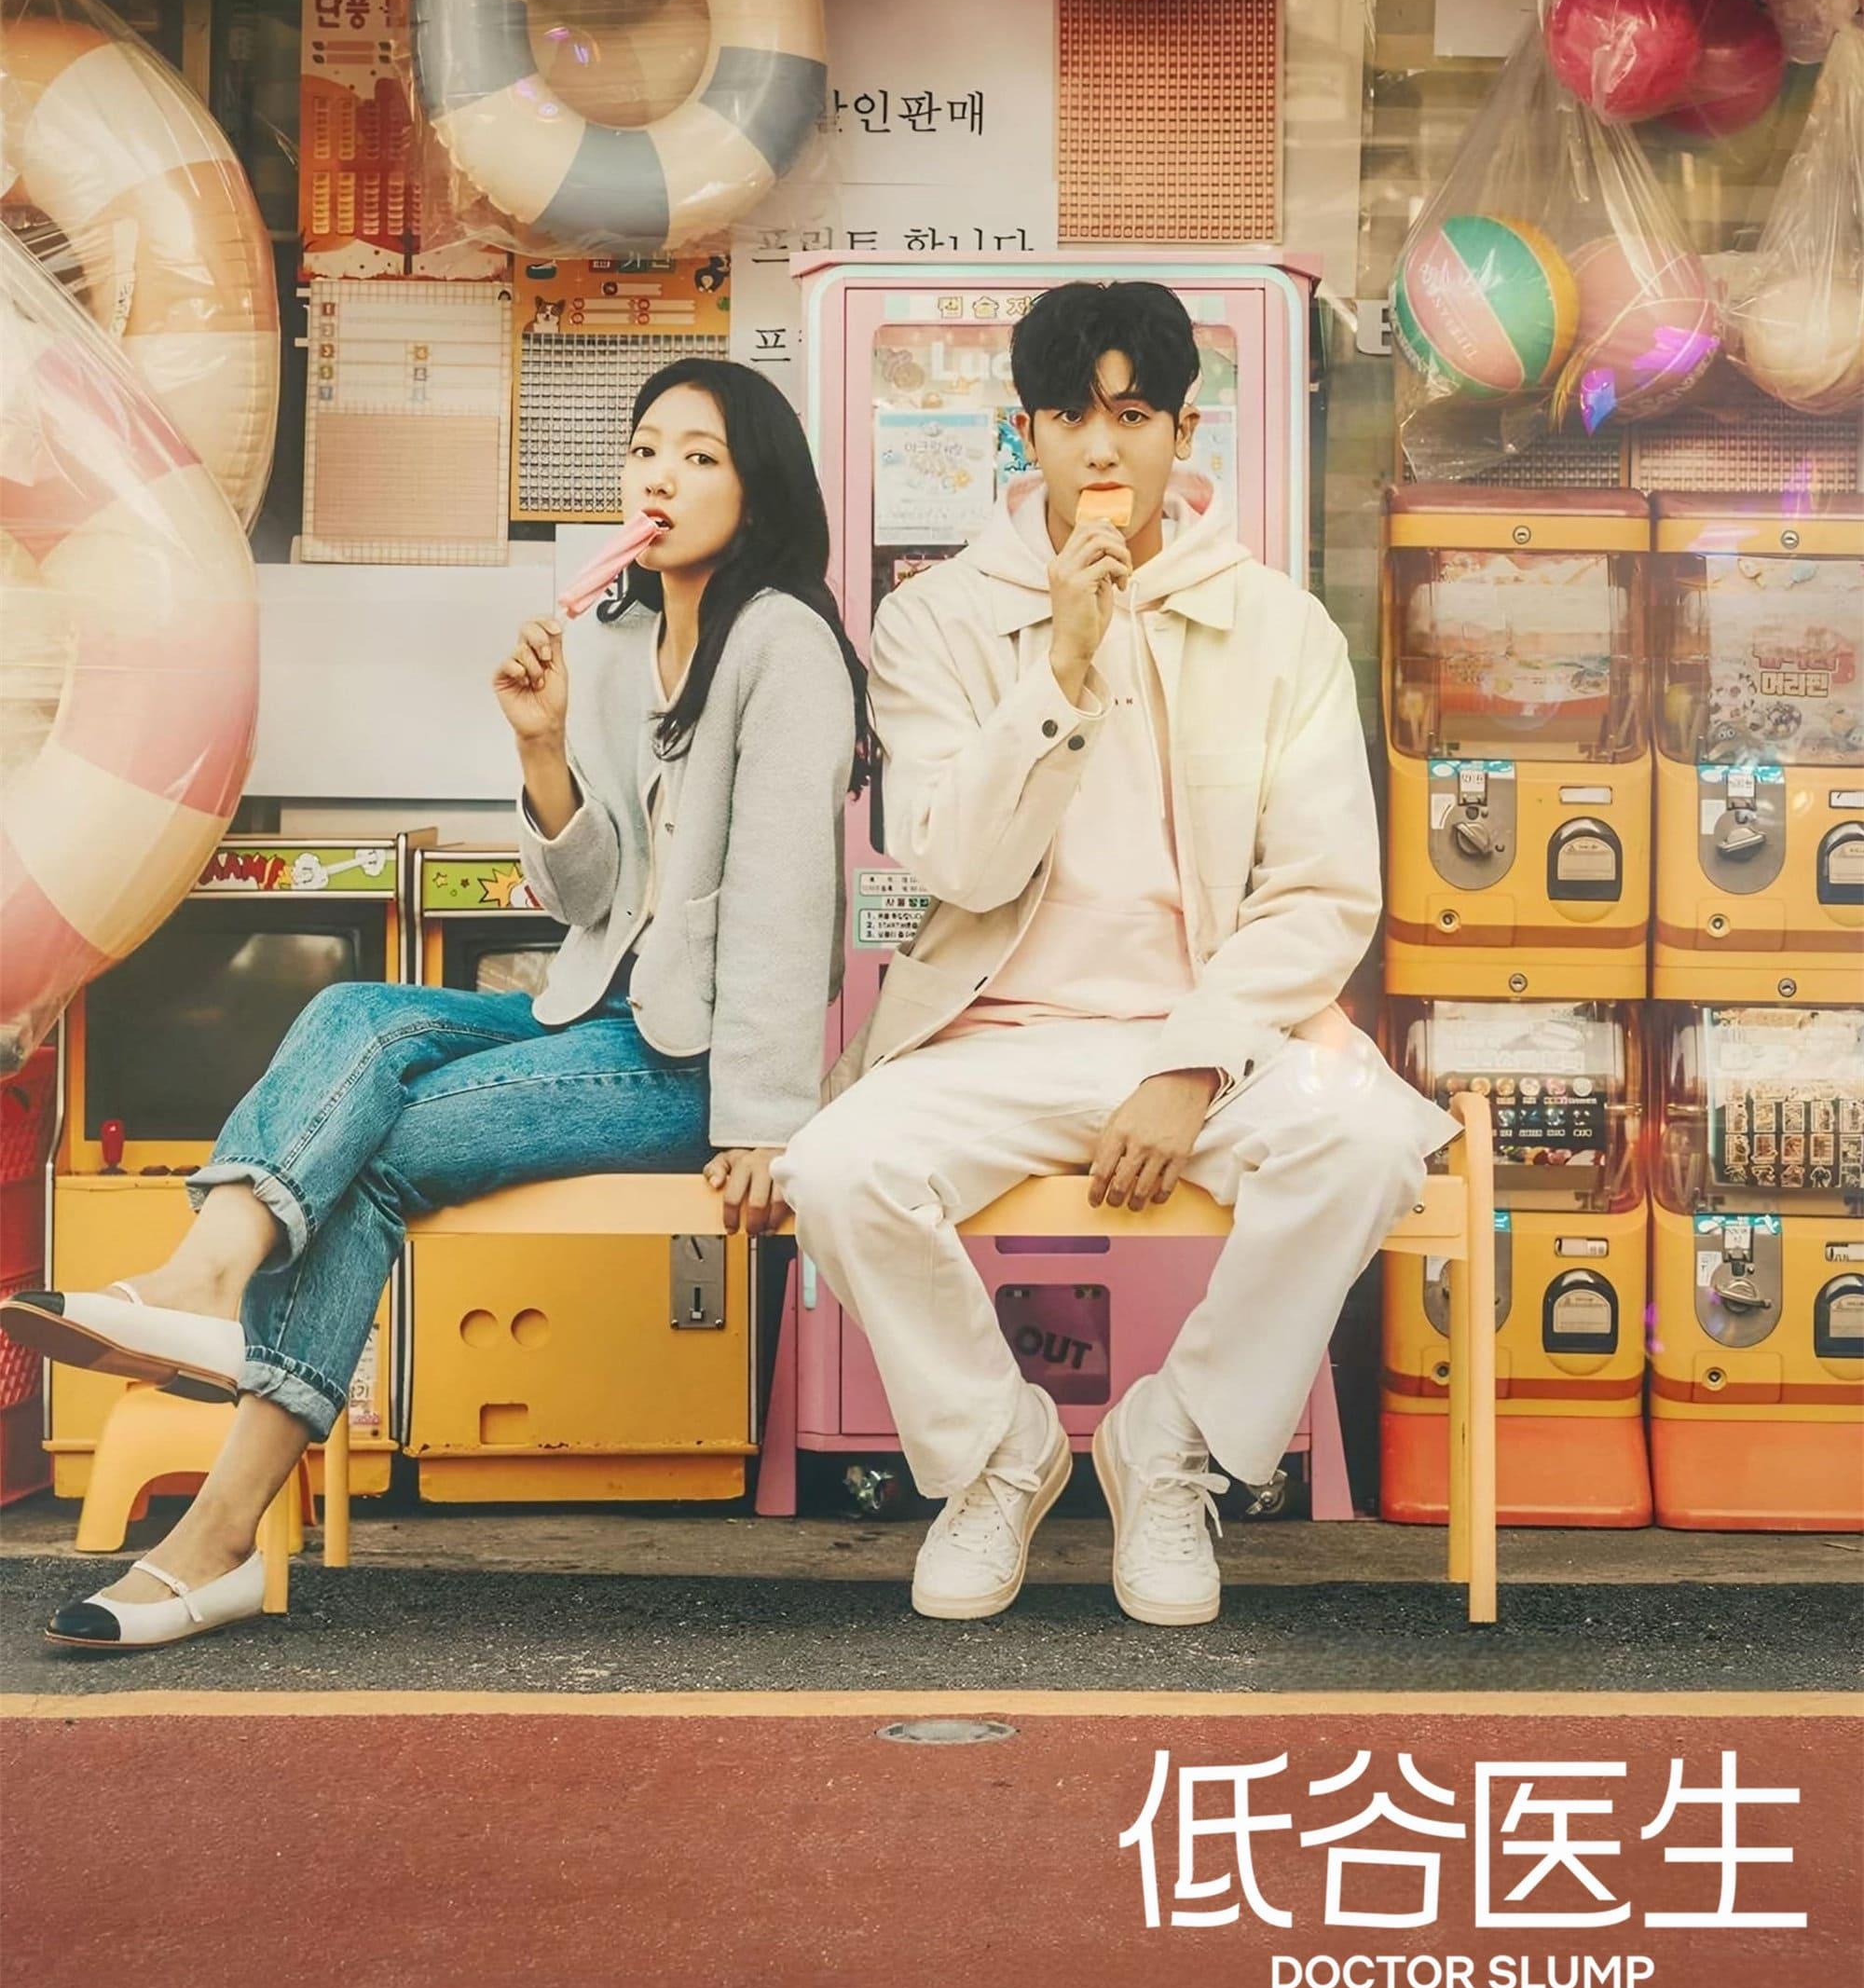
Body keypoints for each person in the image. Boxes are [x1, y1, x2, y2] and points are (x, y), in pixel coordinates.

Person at [9, 359, 864, 1652]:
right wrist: (539, 744)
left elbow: (789, 900)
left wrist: (761, 1121)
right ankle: (202, 1282)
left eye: (701, 457)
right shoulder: (619, 640)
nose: (661, 477)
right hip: (597, 1013)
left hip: (694, 1064)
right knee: (355, 1012)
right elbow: (584, 896)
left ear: (761, 488)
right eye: (646, 449)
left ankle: (213, 1535)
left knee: (373, 1154)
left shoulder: (784, 644)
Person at [776, 281, 1457, 1628]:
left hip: (1218, 1036)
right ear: (1025, 433)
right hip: (997, 1034)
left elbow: (1322, 894)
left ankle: (1173, 1443)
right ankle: (998, 1454)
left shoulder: (1279, 627)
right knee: (838, 1168)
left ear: (1183, 433)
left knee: (1372, 1144)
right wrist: (1061, 675)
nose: (1102, 449)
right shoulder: (934, 622)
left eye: (1134, 416)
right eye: (1070, 417)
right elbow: (955, 865)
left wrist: (1192, 1062)